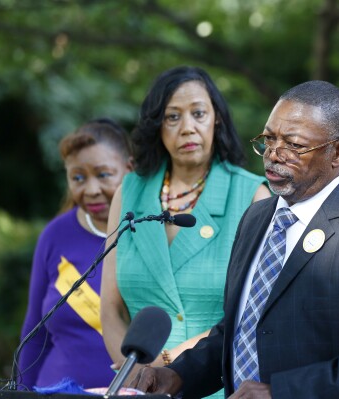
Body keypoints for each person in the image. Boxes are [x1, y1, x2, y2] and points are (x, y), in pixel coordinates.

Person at [130, 80, 339, 398]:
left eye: (294, 145)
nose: (274, 155)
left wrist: (281, 393)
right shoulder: (256, 218)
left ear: (338, 152)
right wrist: (176, 375)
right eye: (268, 139)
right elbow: (239, 331)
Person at [100, 66, 271, 396]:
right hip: (135, 387)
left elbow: (252, 317)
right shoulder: (129, 191)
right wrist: (132, 372)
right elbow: (110, 307)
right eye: (172, 117)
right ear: (157, 126)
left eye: (198, 113)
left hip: (218, 385)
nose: (187, 128)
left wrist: (163, 365)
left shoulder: (252, 196)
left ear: (216, 118)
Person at [18, 118, 133, 389]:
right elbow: (33, 335)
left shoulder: (151, 230)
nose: (91, 190)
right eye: (78, 178)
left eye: (103, 175)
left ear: (129, 169)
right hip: (53, 391)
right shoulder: (55, 235)